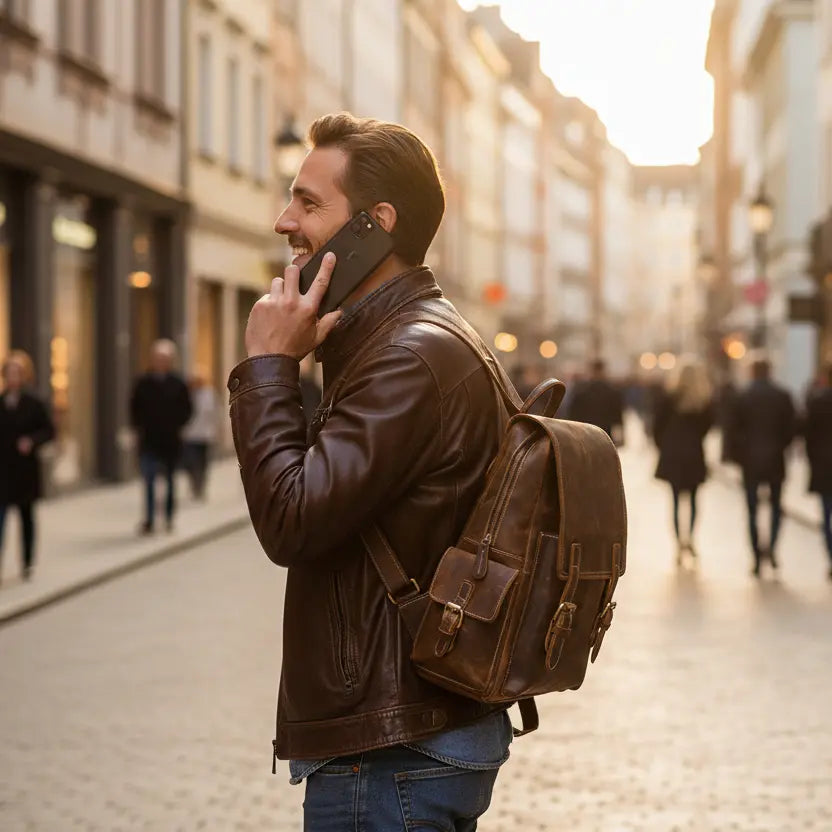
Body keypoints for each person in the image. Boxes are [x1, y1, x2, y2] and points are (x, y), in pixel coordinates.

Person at [228, 114, 513, 829]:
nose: (283, 221)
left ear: (374, 225)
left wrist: (268, 366)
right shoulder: (408, 340)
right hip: (402, 740)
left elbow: (292, 521)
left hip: (389, 751)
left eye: (309, 203)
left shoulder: (407, 358)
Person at [730, 355, 796, 576]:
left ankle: (757, 555)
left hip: (750, 461)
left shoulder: (744, 396)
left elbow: (734, 430)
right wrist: (780, 446)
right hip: (775, 458)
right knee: (776, 507)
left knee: (752, 510)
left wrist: (739, 456)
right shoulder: (782, 396)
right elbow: (791, 429)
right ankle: (772, 548)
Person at [0, 351, 55, 582]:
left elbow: (49, 431)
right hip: (2, 470)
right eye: (9, 372)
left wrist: (31, 441)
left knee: (26, 517)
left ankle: (27, 562)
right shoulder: (1, 401)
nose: (13, 377)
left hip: (25, 470)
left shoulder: (35, 402)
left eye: (17, 372)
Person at [652, 359, 714, 563]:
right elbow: (707, 428)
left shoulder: (669, 399)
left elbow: (656, 426)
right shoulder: (702, 401)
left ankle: (679, 542)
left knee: (676, 500)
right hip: (694, 454)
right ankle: (691, 538)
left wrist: (663, 445)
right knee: (695, 499)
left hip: (673, 454)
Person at [130, 340, 192, 534]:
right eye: (157, 358)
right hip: (149, 440)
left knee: (170, 481)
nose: (160, 361)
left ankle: (168, 517)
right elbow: (134, 408)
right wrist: (138, 427)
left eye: (164, 358)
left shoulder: (178, 383)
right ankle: (149, 519)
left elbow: (187, 409)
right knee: (148, 480)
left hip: (171, 441)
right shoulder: (143, 382)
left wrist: (179, 425)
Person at [804, 363, 832, 578]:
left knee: (826, 515)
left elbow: (808, 436)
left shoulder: (817, 401)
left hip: (823, 465)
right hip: (823, 464)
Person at [567, 358, 624, 444]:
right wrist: (621, 434)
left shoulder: (581, 390)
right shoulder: (612, 391)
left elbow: (573, 414)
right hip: (605, 433)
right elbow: (617, 414)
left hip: (586, 432)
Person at [181, 370, 219, 500]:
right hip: (189, 435)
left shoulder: (209, 394)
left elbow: (215, 413)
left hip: (205, 435)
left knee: (203, 463)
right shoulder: (187, 395)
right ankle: (194, 484)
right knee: (190, 462)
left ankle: (200, 486)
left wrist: (217, 429)